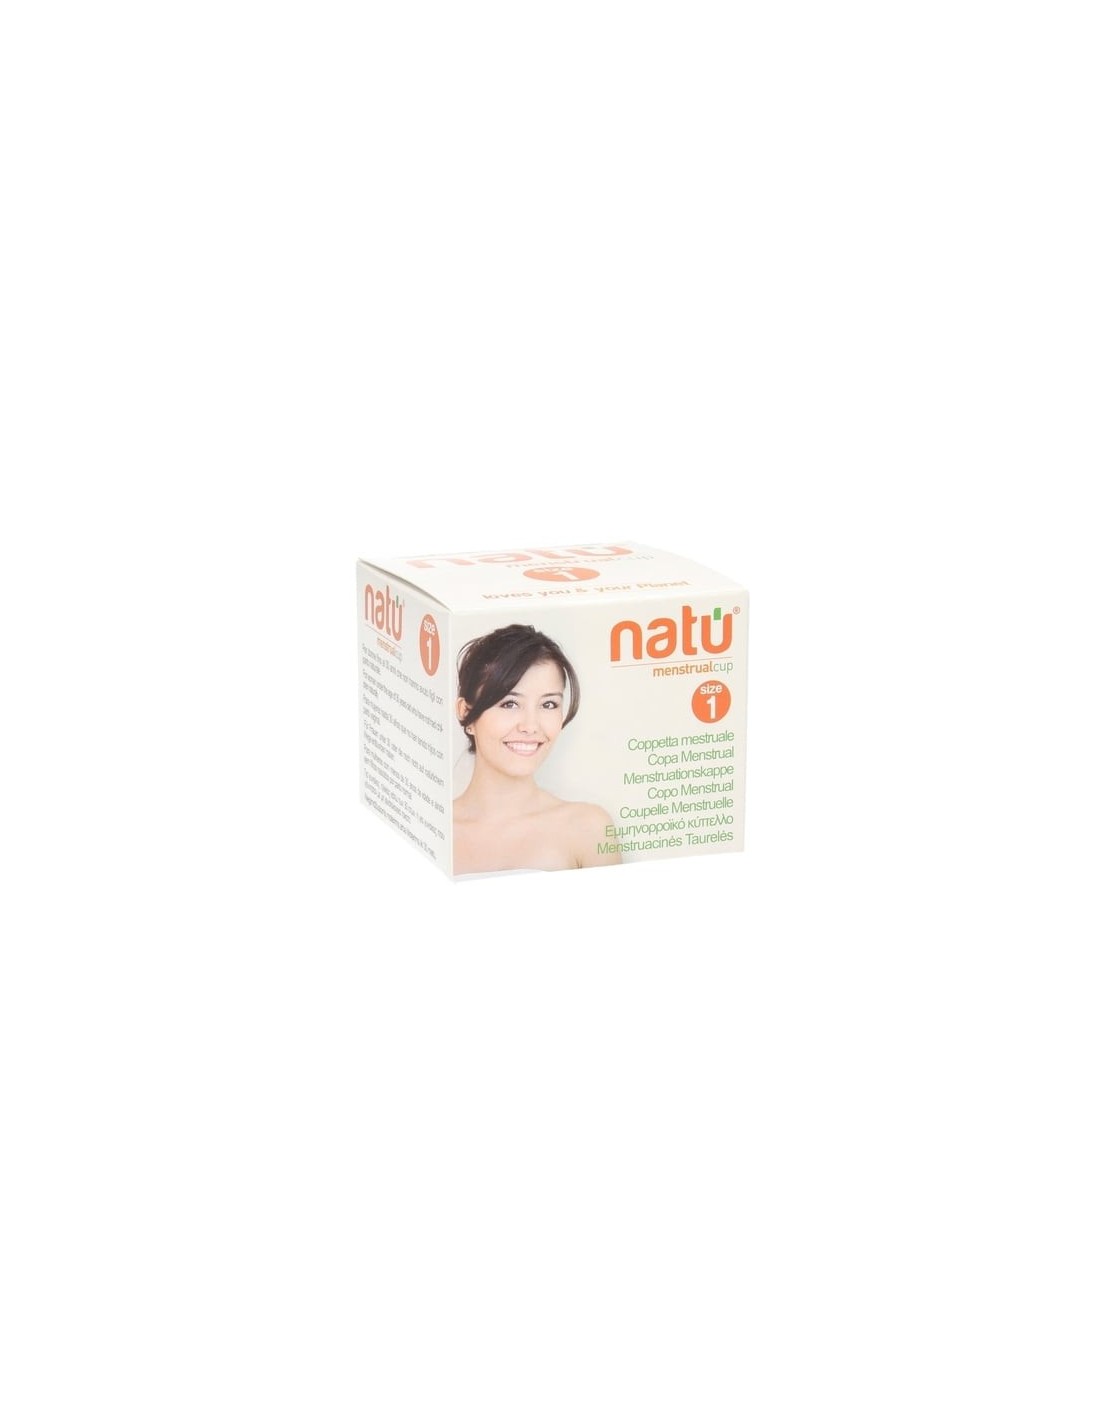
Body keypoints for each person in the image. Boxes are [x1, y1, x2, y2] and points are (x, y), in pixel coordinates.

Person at [452, 624, 621, 874]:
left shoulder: (588, 828)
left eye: (549, 704)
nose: (531, 726)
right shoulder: (434, 827)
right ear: (466, 713)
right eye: (510, 704)